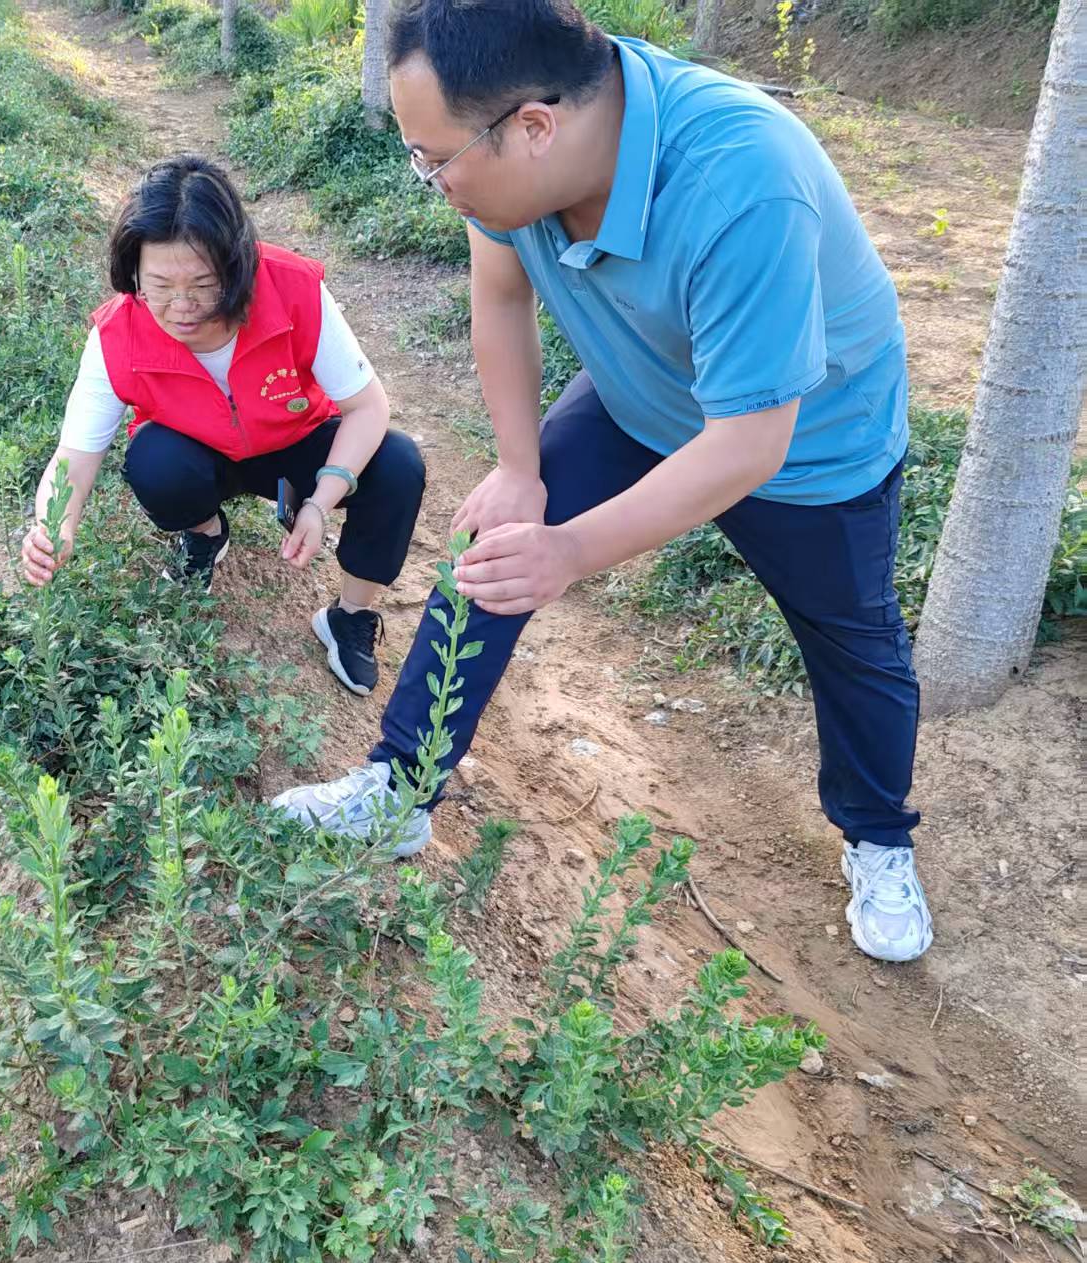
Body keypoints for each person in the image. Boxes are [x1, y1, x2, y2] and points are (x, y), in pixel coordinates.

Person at [270, 0, 934, 962]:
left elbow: (750, 444)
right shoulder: (513, 163)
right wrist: (519, 470)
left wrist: (570, 551)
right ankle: (401, 789)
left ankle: (878, 837)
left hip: (811, 441)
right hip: (643, 389)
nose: (431, 181)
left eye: (436, 159)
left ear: (534, 128)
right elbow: (500, 299)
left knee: (854, 641)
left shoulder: (742, 179)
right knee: (495, 549)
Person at [20, 154, 426, 696]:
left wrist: (319, 502)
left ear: (237, 265)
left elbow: (368, 408)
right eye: (159, 286)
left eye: (204, 285)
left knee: (397, 464)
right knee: (154, 461)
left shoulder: (292, 288)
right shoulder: (117, 336)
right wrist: (54, 527)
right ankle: (205, 535)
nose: (181, 307)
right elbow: (74, 457)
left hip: (297, 442)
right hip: (201, 454)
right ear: (133, 273)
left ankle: (349, 615)